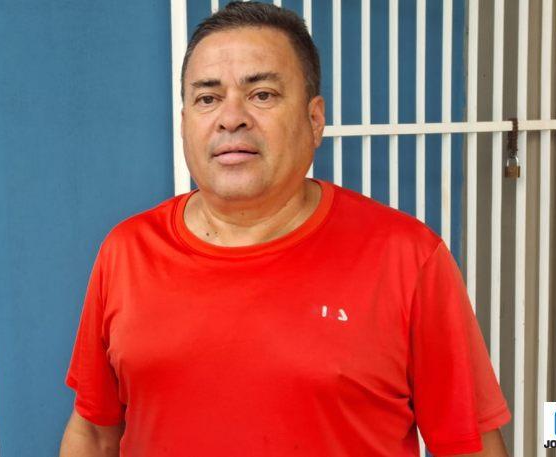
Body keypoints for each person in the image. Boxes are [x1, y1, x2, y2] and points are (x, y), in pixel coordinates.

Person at [60, 3, 509, 456]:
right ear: (183, 123)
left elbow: (468, 445)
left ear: (315, 120)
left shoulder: (406, 258)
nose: (230, 118)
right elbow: (94, 434)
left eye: (262, 95)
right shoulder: (127, 252)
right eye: (207, 98)